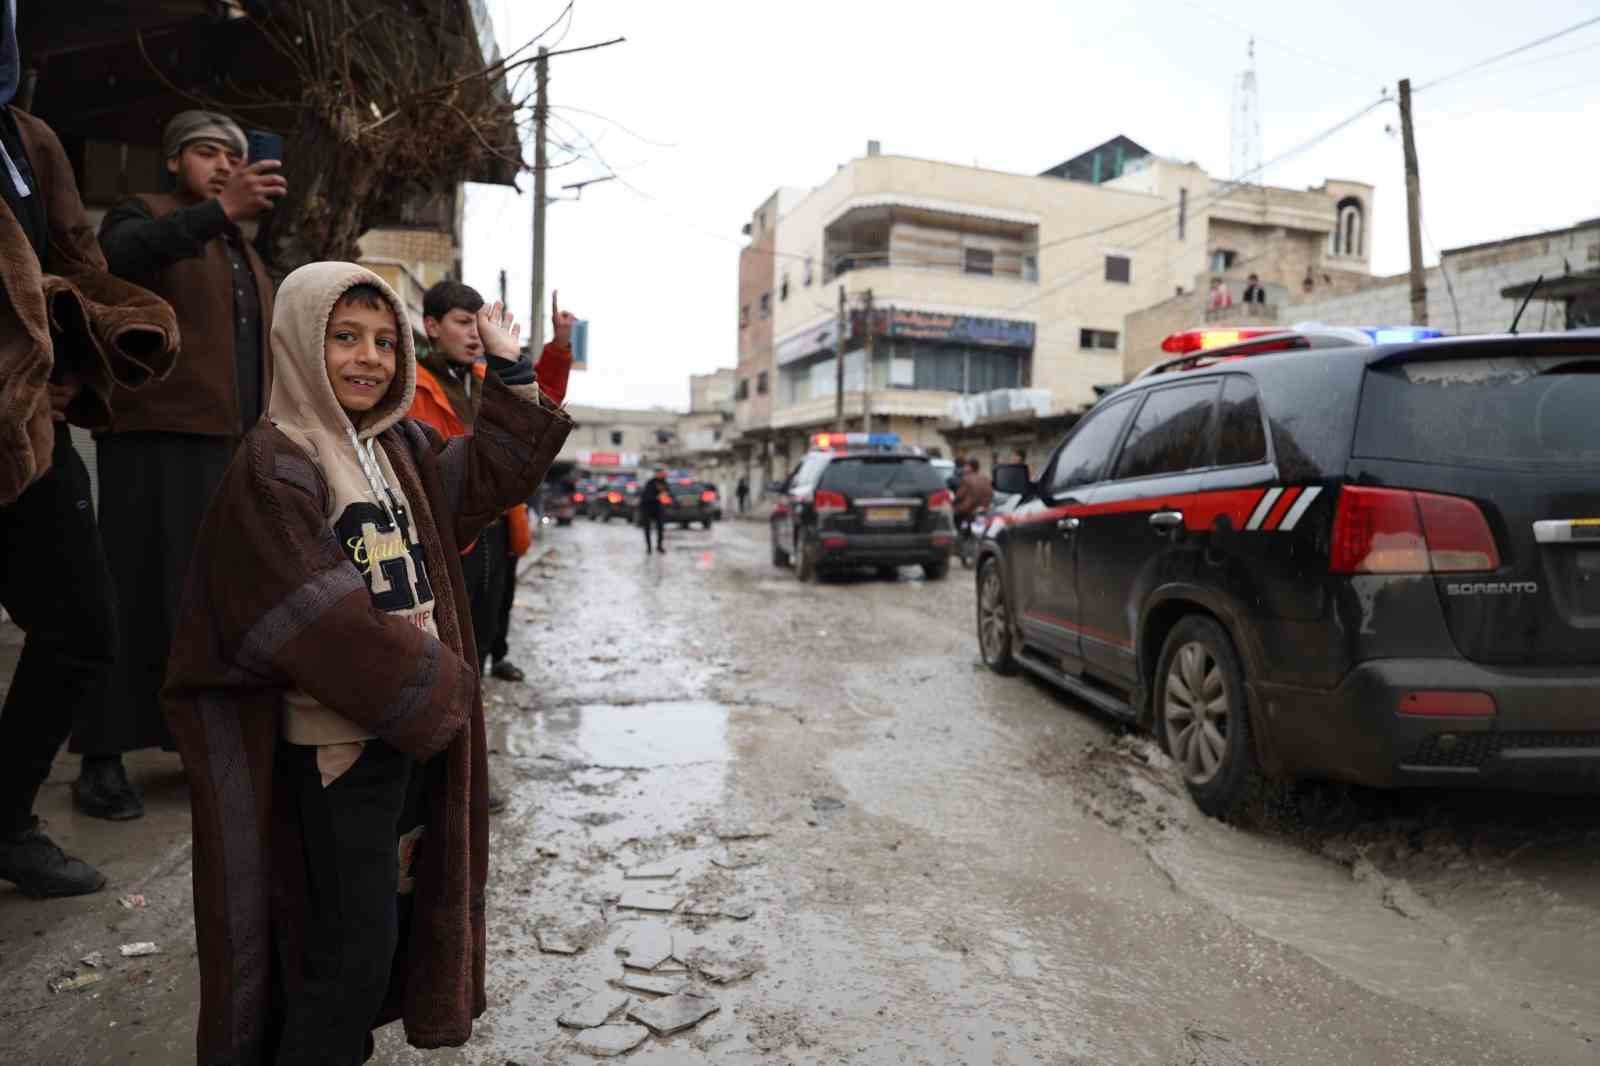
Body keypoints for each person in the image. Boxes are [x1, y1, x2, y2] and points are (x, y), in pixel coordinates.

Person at [162, 264, 572, 1065]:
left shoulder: (399, 447)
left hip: (402, 737)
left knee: (379, 940)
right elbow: (311, 616)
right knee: (343, 957)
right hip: (339, 752)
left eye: (385, 341)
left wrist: (512, 367)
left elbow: (489, 477)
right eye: (344, 337)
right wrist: (447, 687)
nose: (369, 358)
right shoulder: (276, 462)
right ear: (297, 343)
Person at [0, 3, 179, 896]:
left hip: (25, 431)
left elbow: (72, 262)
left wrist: (86, 352)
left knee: (81, 627)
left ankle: (5, 819)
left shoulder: (27, 141)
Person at [79, 109, 284, 821]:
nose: (225, 166)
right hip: (154, 435)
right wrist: (216, 213)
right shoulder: (148, 215)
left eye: (234, 156)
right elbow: (115, 261)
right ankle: (100, 759)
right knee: (132, 591)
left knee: (207, 604)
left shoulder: (239, 248)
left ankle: (191, 743)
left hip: (229, 447)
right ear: (174, 162)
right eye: (206, 153)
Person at [408, 280, 574, 683]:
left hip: (496, 523)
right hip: (443, 525)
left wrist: (558, 347)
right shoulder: (411, 383)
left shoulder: (488, 376)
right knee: (444, 636)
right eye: (463, 322)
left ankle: (478, 697)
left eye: (476, 324)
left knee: (487, 621)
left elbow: (535, 407)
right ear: (431, 325)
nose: (474, 334)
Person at [953, 457, 993, 525]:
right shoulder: (985, 478)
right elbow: (990, 493)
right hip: (984, 508)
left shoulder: (966, 479)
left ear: (970, 467)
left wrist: (953, 501)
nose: (964, 468)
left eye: (965, 466)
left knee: (953, 513)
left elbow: (959, 496)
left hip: (969, 509)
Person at [640, 467, 669, 554]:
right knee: (647, 529)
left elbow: (668, 493)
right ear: (657, 473)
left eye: (663, 472)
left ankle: (659, 546)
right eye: (661, 473)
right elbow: (645, 496)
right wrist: (657, 497)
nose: (663, 474)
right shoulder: (650, 483)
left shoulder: (664, 483)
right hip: (648, 508)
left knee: (660, 528)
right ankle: (648, 547)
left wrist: (667, 498)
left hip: (659, 508)